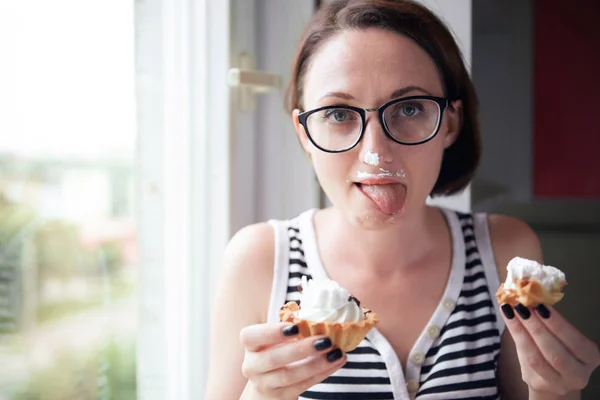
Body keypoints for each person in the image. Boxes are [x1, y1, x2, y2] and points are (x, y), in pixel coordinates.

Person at [205, 0, 600, 399]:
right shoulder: (259, 262)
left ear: (450, 123)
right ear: (304, 132)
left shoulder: (503, 251)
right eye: (339, 114)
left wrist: (556, 392)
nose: (377, 153)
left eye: (410, 108)